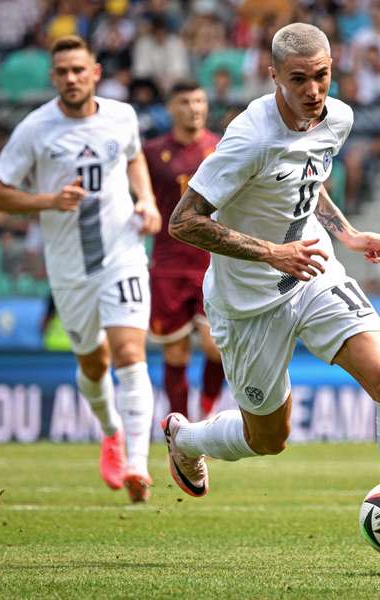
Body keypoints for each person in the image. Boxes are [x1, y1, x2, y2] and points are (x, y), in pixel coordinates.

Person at [162, 23, 380, 570]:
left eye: (322, 75)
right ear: (273, 74)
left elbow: (309, 176)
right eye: (298, 79)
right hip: (248, 301)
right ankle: (187, 439)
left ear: (334, 67)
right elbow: (183, 223)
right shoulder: (248, 137)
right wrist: (271, 253)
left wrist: (347, 235)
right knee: (267, 439)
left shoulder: (340, 118)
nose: (313, 90)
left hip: (314, 270)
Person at [0, 35, 162, 503]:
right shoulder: (34, 129)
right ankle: (111, 432)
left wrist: (146, 200)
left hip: (122, 253)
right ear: (53, 78)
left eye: (78, 70)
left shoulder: (122, 116)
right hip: (68, 268)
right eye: (62, 72)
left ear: (95, 73)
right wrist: (49, 200)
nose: (71, 78)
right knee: (94, 361)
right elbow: (1, 195)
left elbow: (134, 157)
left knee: (130, 353)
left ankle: (137, 465)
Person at [144, 81, 225, 419]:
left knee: (216, 347)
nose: (193, 108)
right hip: (168, 263)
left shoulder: (222, 148)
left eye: (199, 100)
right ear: (170, 108)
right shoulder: (150, 153)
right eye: (185, 101)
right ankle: (179, 431)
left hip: (212, 261)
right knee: (175, 353)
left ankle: (206, 414)